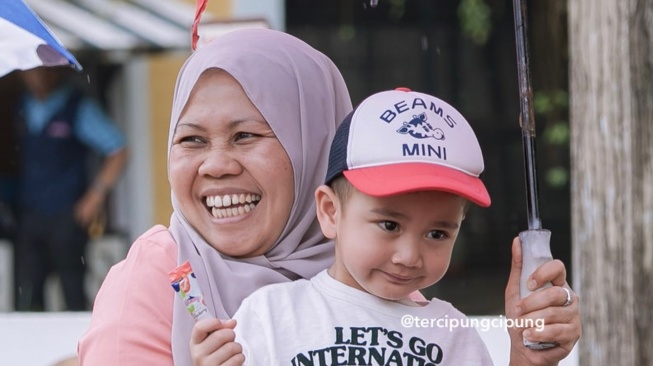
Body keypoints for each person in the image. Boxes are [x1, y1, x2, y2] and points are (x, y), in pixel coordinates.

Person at [79, 29, 580, 366]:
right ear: (329, 208)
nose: (215, 164)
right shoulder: (162, 277)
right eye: (191, 140)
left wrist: (527, 350)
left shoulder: (395, 294)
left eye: (247, 135)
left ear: (311, 141)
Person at [189, 89, 581, 365]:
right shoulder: (270, 316)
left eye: (437, 233)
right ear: (330, 212)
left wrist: (528, 359)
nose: (409, 255)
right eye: (389, 224)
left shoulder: (451, 333)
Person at [13, 66, 127, 311]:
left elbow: (118, 149)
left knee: (72, 287)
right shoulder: (23, 106)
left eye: (42, 71)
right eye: (30, 71)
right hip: (31, 210)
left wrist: (95, 196)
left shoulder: (77, 107)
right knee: (28, 290)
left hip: (68, 211)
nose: (36, 77)